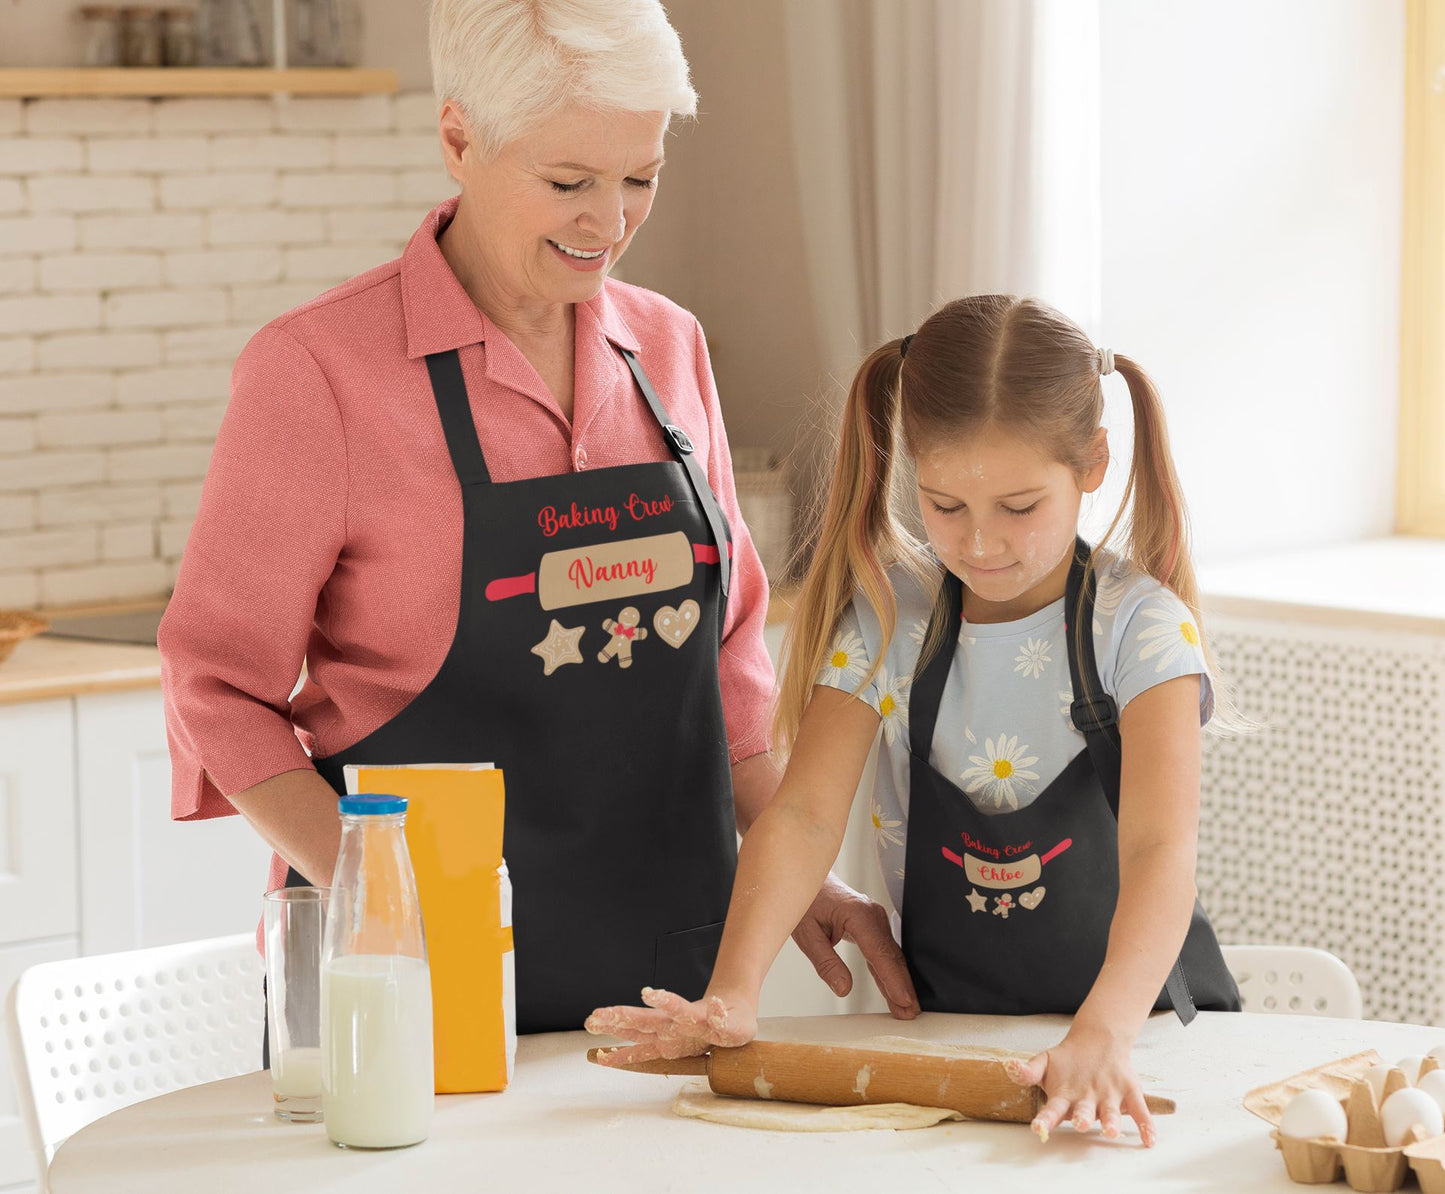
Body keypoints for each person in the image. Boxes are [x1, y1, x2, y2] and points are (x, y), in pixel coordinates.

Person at [158, 0, 915, 1039]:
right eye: (568, 182)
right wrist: (370, 889)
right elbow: (216, 684)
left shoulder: (667, 347)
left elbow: (726, 661)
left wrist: (799, 875)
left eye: (638, 178)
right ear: (459, 138)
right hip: (410, 973)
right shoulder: (320, 372)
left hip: (667, 980)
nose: (608, 222)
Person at [587, 295, 1242, 1143]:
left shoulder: (1140, 630)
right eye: (943, 506)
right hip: (952, 1040)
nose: (979, 545)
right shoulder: (892, 618)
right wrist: (733, 992)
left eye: (1018, 507)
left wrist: (1101, 1034)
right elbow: (803, 813)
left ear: (1091, 464)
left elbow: (1160, 851)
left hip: (1138, 1039)